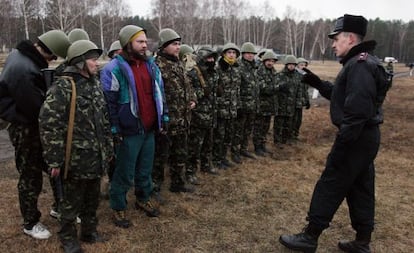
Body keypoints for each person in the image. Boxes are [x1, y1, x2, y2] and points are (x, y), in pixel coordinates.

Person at [279, 14, 390, 253]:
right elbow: (344, 97)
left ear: (350, 38)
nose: (332, 44)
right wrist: (317, 82)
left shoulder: (359, 66)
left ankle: (310, 236)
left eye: (336, 39)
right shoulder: (363, 62)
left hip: (355, 135)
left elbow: (356, 111)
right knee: (361, 186)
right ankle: (362, 242)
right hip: (365, 136)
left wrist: (342, 145)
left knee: (331, 181)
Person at [39, 40, 112, 253]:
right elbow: (49, 125)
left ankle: (89, 231)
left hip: (95, 156)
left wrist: (107, 148)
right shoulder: (63, 87)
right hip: (74, 159)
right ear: (79, 61)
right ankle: (68, 238)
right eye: (92, 59)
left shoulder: (94, 84)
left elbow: (103, 119)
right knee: (70, 203)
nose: (96, 63)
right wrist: (54, 160)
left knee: (92, 199)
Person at [0, 30, 70, 240]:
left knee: (52, 167)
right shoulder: (25, 69)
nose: (53, 61)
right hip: (26, 128)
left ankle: (59, 207)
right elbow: (37, 108)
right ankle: (30, 223)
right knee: (30, 175)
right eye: (53, 56)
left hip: (28, 124)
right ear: (47, 50)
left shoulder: (21, 57)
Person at [101, 25, 168, 227]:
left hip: (148, 128)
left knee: (145, 169)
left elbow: (160, 94)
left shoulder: (151, 66)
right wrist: (115, 128)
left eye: (145, 41)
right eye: (140, 41)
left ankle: (142, 198)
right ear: (127, 43)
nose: (144, 45)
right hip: (129, 130)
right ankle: (118, 207)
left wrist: (163, 117)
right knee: (124, 171)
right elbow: (109, 103)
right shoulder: (114, 69)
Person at [153, 28, 196, 194]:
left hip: (183, 119)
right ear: (164, 46)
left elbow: (188, 86)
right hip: (167, 121)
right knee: (160, 156)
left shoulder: (178, 64)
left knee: (180, 153)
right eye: (174, 44)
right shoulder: (157, 66)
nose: (178, 47)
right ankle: (155, 187)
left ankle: (178, 183)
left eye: (179, 44)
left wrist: (193, 99)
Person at [186, 46, 220, 184]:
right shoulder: (193, 73)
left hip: (211, 114)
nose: (211, 60)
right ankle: (190, 172)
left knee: (208, 144)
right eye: (208, 58)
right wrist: (203, 92)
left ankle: (206, 165)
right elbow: (190, 94)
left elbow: (215, 92)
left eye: (213, 58)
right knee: (194, 147)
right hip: (198, 117)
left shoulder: (214, 73)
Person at [212, 42, 241, 170]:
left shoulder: (236, 69)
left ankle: (223, 158)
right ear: (223, 54)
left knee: (228, 136)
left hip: (232, 109)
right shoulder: (218, 68)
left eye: (234, 53)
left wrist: (237, 106)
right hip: (220, 109)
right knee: (219, 136)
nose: (231, 55)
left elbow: (237, 89)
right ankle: (216, 159)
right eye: (229, 52)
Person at [231, 42, 258, 163]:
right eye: (248, 53)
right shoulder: (239, 66)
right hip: (242, 105)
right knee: (238, 130)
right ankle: (235, 152)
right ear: (243, 54)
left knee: (248, 129)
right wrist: (239, 105)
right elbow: (236, 87)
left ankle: (244, 149)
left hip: (252, 104)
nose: (250, 55)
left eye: (252, 53)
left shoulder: (254, 67)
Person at [253, 50, 278, 156]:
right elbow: (264, 88)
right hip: (261, 105)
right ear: (264, 61)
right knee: (258, 127)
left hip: (270, 105)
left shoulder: (273, 72)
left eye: (272, 61)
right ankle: (257, 147)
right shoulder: (259, 71)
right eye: (268, 60)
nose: (270, 63)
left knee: (266, 128)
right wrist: (278, 87)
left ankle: (263, 145)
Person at [273, 55, 302, 146]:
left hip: (291, 104)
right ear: (286, 65)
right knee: (279, 123)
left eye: (293, 64)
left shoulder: (297, 76)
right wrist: (280, 88)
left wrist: (298, 102)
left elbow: (299, 90)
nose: (291, 66)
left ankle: (285, 140)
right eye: (289, 64)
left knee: (288, 123)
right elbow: (274, 88)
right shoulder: (279, 75)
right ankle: (277, 141)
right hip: (281, 104)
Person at [292, 57, 311, 141]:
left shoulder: (305, 76)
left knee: (298, 120)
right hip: (293, 102)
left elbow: (305, 90)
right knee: (292, 120)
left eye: (304, 65)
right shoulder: (294, 75)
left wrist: (307, 101)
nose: (303, 67)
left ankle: (295, 135)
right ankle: (290, 136)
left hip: (300, 103)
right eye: (301, 65)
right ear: (297, 66)